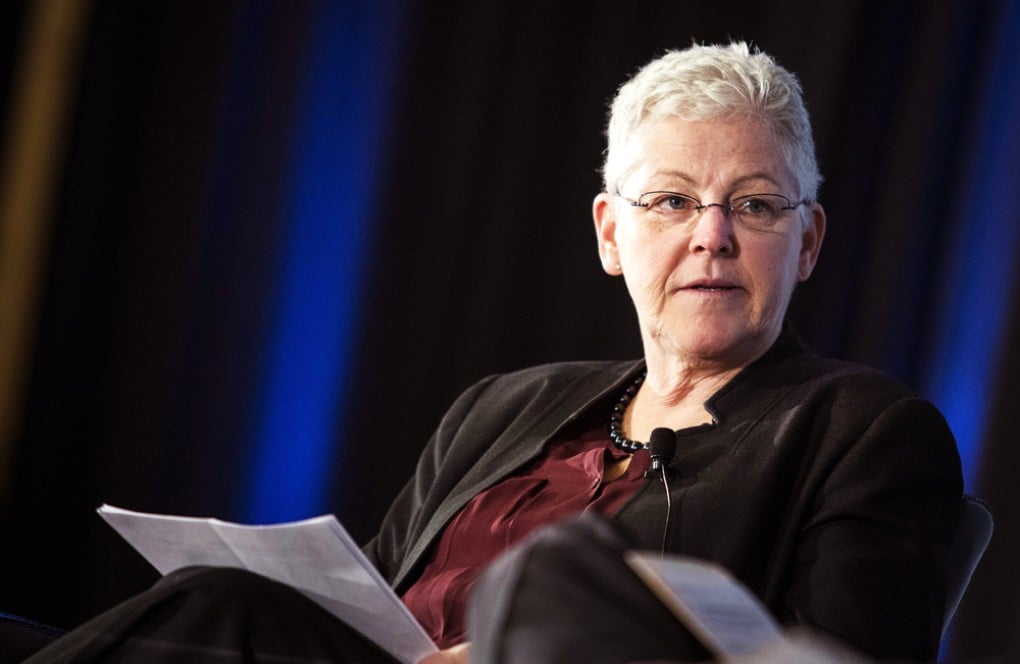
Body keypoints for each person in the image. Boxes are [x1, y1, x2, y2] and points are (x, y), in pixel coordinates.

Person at [18, 41, 961, 663]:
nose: (711, 235)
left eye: (754, 205)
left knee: (224, 606)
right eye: (672, 201)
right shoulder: (502, 407)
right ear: (610, 233)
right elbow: (367, 604)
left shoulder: (862, 431)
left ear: (807, 242)